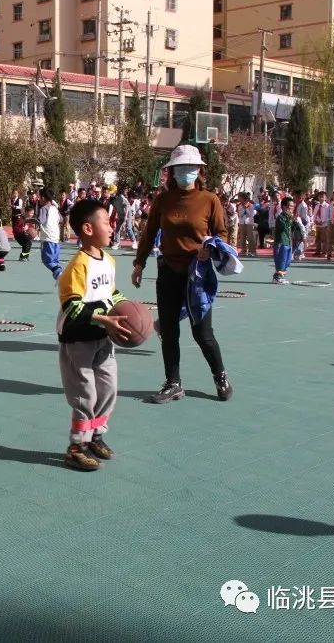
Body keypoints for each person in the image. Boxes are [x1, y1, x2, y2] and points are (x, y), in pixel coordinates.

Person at [132, 145, 232, 404]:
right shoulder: (163, 200)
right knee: (168, 330)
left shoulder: (210, 199)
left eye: (190, 168)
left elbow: (222, 234)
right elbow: (149, 232)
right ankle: (173, 382)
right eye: (179, 168)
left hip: (197, 274)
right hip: (167, 270)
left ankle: (220, 375)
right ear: (171, 171)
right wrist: (139, 263)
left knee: (202, 332)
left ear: (199, 170)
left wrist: (209, 249)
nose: (185, 172)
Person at [57, 199, 130, 472]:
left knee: (108, 388)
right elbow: (72, 305)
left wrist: (131, 310)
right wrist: (104, 319)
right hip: (78, 339)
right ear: (88, 228)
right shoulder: (77, 266)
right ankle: (76, 446)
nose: (112, 227)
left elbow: (111, 294)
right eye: (106, 222)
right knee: (84, 394)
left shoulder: (108, 260)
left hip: (103, 336)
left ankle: (96, 436)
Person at [38, 189, 63, 279]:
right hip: (56, 239)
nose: (38, 199)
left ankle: (60, 275)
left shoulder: (43, 209)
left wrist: (27, 219)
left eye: (39, 197)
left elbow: (41, 220)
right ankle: (59, 274)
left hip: (47, 239)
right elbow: (61, 219)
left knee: (47, 261)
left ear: (43, 198)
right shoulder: (55, 209)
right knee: (54, 261)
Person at [273, 197, 295, 284]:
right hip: (281, 242)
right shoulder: (281, 217)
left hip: (288, 242)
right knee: (281, 260)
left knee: (287, 260)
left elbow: (292, 229)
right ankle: (277, 277)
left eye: (293, 206)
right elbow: (284, 228)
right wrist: (290, 220)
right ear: (284, 207)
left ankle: (281, 276)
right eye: (290, 206)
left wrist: (296, 222)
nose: (291, 209)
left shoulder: (289, 218)